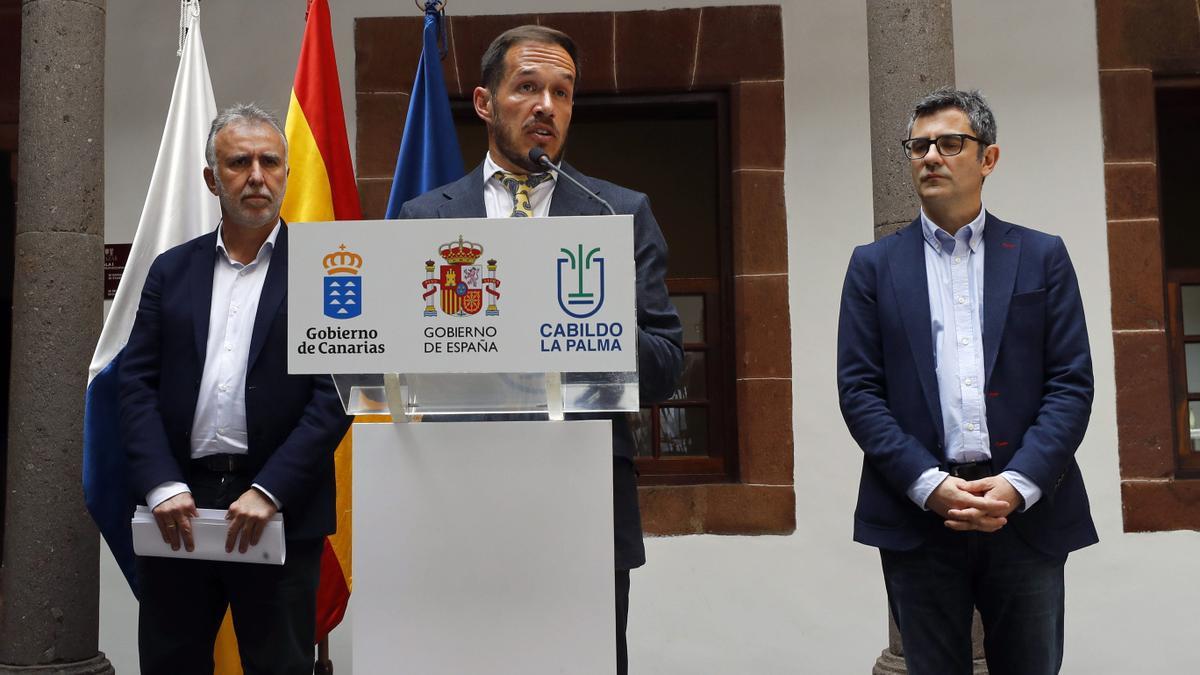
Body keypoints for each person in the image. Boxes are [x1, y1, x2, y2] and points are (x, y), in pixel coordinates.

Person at [397, 25, 684, 675]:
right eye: (527, 87)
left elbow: (665, 364)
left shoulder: (617, 213)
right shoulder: (427, 220)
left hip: (585, 511)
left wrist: (586, 321)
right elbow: (400, 365)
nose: (546, 106)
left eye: (562, 91)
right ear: (484, 102)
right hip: (460, 507)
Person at [837, 88, 1098, 675]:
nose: (931, 156)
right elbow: (859, 391)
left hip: (1026, 518)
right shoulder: (873, 267)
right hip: (920, 517)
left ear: (988, 159)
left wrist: (1020, 482)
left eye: (950, 143)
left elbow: (1070, 384)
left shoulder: (1041, 256)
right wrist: (928, 483)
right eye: (919, 145)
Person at [119, 103, 351, 675]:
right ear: (210, 178)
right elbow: (135, 384)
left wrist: (270, 489)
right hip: (179, 513)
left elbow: (335, 394)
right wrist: (162, 484)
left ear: (287, 174)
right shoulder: (170, 272)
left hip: (279, 511)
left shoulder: (330, 270)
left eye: (270, 162)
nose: (256, 176)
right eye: (238, 162)